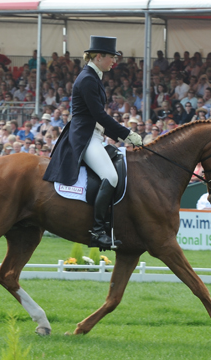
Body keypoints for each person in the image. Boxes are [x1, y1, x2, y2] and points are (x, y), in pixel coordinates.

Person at [43, 36, 142, 250]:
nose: (114, 61)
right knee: (111, 176)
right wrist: (127, 134)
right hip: (85, 138)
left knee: (119, 165)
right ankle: (97, 231)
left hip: (94, 135)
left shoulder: (93, 76)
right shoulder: (88, 79)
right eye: (111, 57)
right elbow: (99, 114)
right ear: (99, 57)